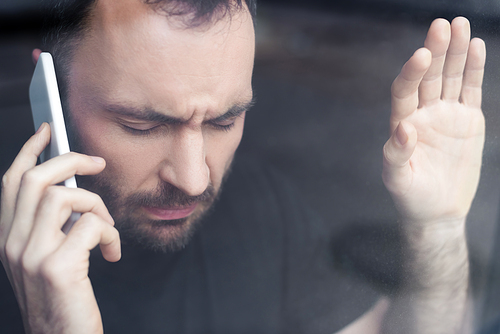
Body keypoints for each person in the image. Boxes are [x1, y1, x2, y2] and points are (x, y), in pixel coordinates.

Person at [0, 0, 486, 333]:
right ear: (52, 95)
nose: (193, 180)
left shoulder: (259, 208)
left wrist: (436, 229)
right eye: (141, 126)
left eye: (225, 121)